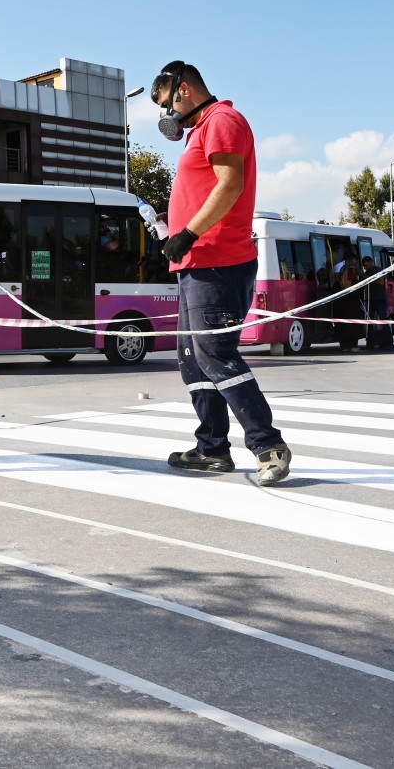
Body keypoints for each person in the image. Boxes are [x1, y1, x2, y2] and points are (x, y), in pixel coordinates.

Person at [150, 61, 291, 485]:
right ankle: (212, 448)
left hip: (218, 262)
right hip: (196, 263)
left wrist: (189, 233)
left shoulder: (222, 121)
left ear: (184, 90)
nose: (167, 115)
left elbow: (230, 184)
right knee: (193, 360)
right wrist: (174, 225)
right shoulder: (202, 130)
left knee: (215, 352)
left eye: (166, 104)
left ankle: (268, 446)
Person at [331, 253, 364, 353]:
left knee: (344, 327)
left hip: (343, 309)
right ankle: (351, 346)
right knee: (351, 326)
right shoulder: (352, 282)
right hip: (350, 309)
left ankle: (345, 346)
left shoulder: (338, 283)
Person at [359, 256, 392, 351]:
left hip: (380, 299)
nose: (365, 267)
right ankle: (369, 344)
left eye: (366, 265)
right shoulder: (367, 272)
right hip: (370, 300)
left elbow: (381, 282)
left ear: (370, 262)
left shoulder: (378, 270)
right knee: (369, 322)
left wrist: (367, 277)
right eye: (363, 266)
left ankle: (390, 343)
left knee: (383, 320)